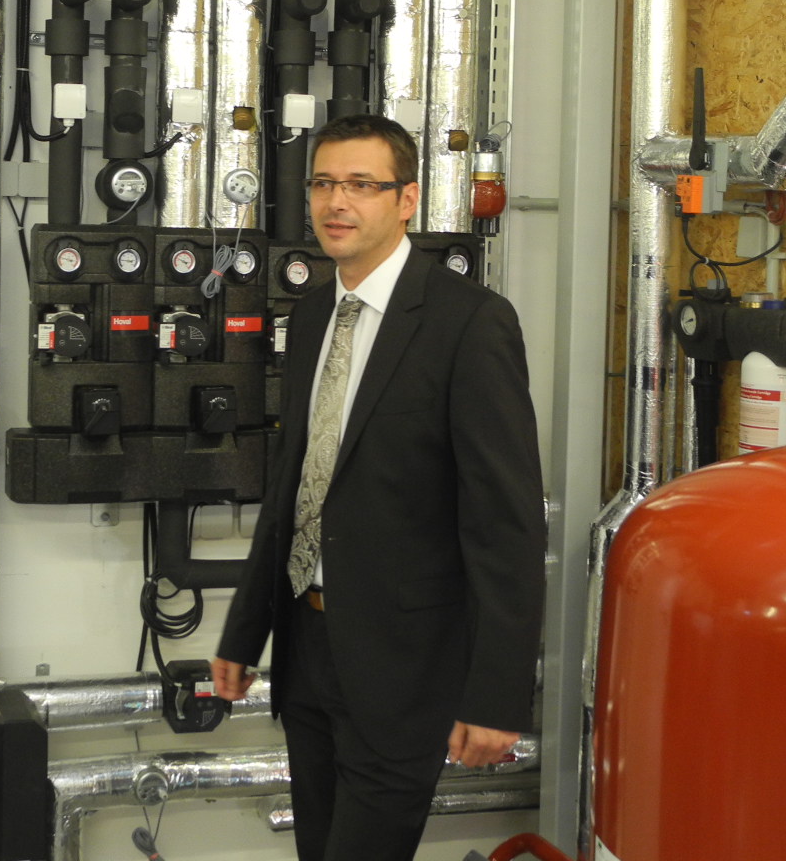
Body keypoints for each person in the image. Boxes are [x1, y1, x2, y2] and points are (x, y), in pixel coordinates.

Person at [213, 114, 546, 861]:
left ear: (407, 200)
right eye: (325, 183)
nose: (338, 202)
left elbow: (507, 523)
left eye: (363, 184)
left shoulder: (470, 324)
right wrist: (245, 631)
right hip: (309, 647)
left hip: (406, 666)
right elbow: (295, 484)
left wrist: (498, 696)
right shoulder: (312, 317)